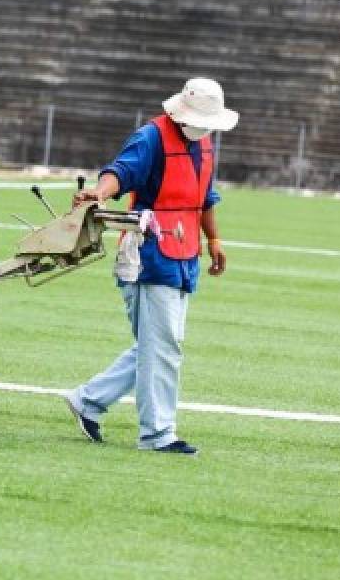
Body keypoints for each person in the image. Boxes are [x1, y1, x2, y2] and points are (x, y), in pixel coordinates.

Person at [63, 77, 238, 455]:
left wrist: (214, 240)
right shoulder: (150, 138)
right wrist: (98, 192)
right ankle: (158, 434)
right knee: (162, 346)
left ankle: (88, 401)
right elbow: (121, 172)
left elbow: (205, 197)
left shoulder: (204, 143)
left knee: (158, 345)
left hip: (185, 252)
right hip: (148, 254)